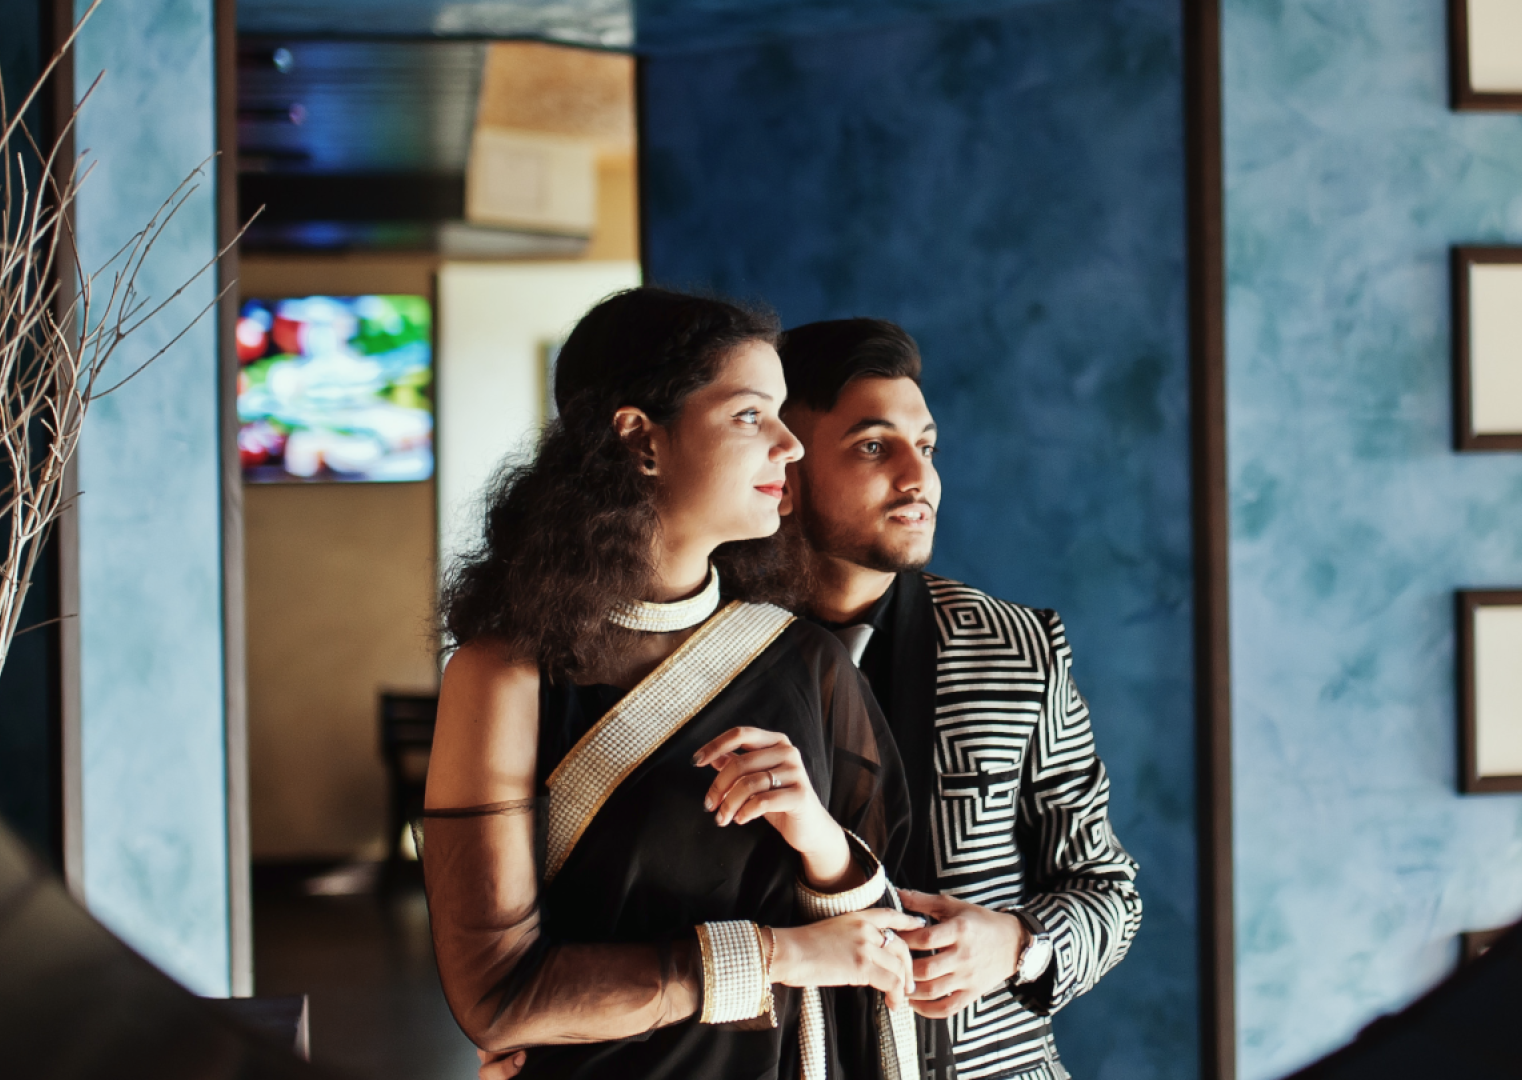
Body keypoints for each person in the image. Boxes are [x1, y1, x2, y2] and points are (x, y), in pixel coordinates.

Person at [424, 288, 930, 1080]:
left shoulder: (805, 660)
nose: (790, 446)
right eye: (750, 416)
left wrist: (816, 836)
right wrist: (777, 954)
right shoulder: (504, 673)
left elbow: (876, 952)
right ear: (641, 440)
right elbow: (498, 995)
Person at [773, 319, 1143, 1080]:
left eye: (928, 445)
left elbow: (1108, 891)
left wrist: (1017, 944)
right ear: (785, 469)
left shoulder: (1020, 647)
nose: (920, 478)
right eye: (874, 446)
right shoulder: (701, 657)